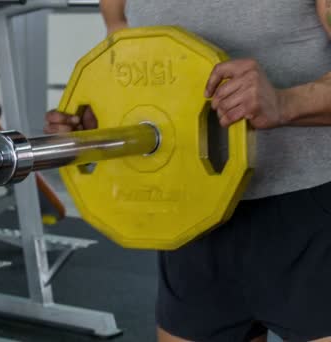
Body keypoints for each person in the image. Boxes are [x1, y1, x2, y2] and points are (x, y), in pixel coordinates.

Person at [45, 1, 331, 341]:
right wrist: (98, 131)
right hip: (188, 222)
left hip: (308, 217)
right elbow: (126, 68)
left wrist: (286, 103)